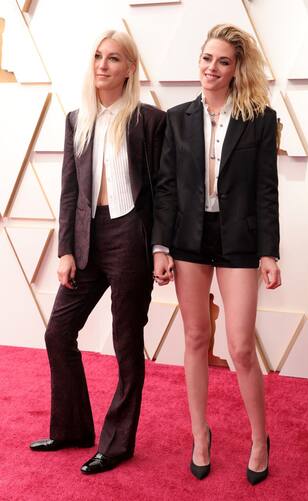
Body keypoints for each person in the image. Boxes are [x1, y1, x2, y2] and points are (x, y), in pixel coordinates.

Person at [30, 29, 165, 475]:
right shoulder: (76, 120)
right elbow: (70, 190)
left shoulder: (148, 120)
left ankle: (118, 443)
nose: (102, 64)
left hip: (131, 236)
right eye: (97, 56)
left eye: (113, 58)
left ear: (130, 68)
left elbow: (165, 192)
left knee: (127, 342)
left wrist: (160, 245)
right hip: (88, 238)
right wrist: (65, 248)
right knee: (57, 333)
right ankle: (71, 428)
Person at [152, 24, 281, 484]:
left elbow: (267, 191)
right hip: (188, 238)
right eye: (207, 58)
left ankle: (260, 438)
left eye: (222, 61)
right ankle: (200, 434)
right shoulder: (177, 117)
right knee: (194, 338)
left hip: (240, 241)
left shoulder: (261, 119)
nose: (212, 67)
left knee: (241, 347)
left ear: (235, 69)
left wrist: (269, 253)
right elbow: (166, 187)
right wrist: (160, 245)